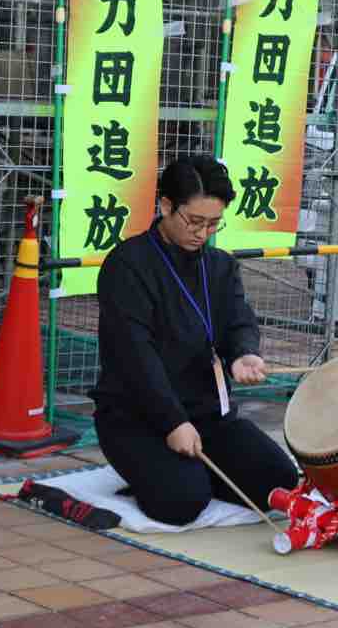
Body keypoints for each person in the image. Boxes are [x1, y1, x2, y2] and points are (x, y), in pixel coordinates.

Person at [92, 156, 300, 526]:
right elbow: (134, 356)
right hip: (137, 417)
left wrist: (244, 353)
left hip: (207, 415)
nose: (202, 233)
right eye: (194, 221)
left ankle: (192, 472)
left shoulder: (219, 265)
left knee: (279, 480)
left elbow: (238, 319)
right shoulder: (127, 265)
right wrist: (172, 421)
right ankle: (171, 472)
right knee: (182, 502)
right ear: (166, 206)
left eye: (213, 224)